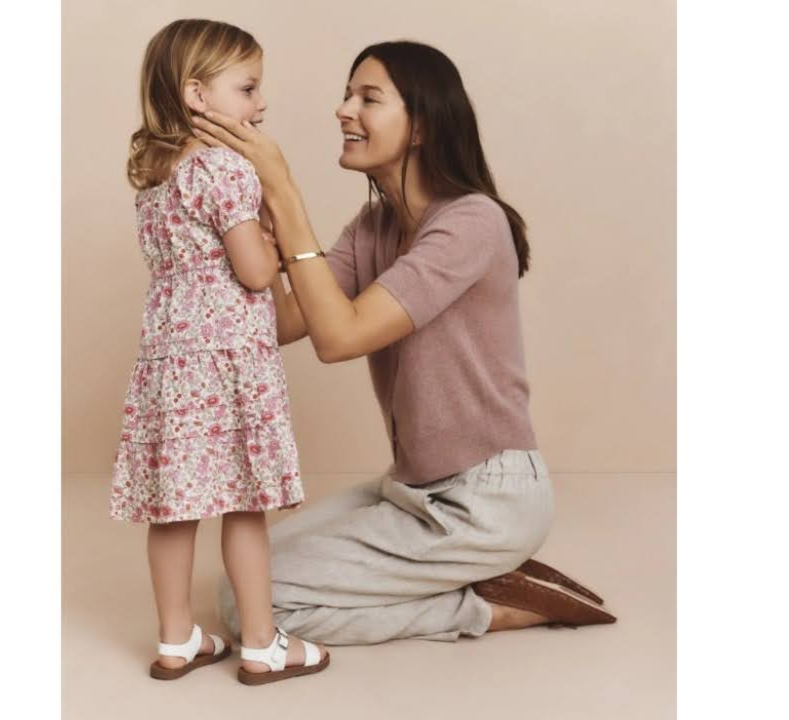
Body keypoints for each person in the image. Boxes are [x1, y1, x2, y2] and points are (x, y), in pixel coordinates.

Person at [190, 40, 617, 646]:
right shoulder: (374, 228)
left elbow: (339, 338)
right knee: (244, 578)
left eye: (368, 98)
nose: (343, 110)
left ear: (421, 126)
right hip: (408, 488)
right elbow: (279, 325)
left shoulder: (472, 222)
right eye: (347, 95)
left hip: (485, 502)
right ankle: (472, 580)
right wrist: (251, 227)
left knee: (247, 606)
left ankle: (487, 606)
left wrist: (283, 191)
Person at [109, 18, 329, 684]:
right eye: (248, 87)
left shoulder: (157, 178)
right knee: (243, 502)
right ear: (197, 94)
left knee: (174, 507)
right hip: (227, 362)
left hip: (170, 362)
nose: (261, 103)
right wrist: (274, 240)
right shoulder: (226, 168)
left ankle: (176, 638)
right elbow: (254, 273)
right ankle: (261, 643)